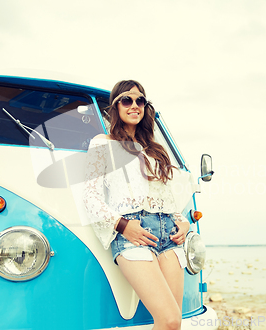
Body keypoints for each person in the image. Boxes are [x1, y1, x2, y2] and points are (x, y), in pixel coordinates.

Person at [83, 80, 190, 330]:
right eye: (127, 100)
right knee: (169, 319)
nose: (134, 105)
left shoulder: (155, 150)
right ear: (115, 107)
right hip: (134, 232)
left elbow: (168, 198)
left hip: (169, 234)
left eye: (140, 100)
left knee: (174, 324)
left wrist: (183, 222)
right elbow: (90, 197)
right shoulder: (104, 143)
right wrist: (122, 226)